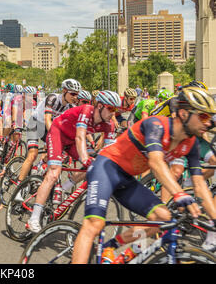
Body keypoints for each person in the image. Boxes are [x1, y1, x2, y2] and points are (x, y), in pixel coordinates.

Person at [71, 87, 216, 263]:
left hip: (127, 179)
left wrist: (214, 220)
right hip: (107, 168)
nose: (208, 123)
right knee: (94, 224)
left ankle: (112, 247)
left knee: (163, 218)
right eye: (203, 117)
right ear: (184, 114)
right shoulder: (157, 125)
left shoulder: (191, 144)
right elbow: (156, 162)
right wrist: (179, 193)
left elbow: (200, 184)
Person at [26, 90, 120, 233]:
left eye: (116, 110)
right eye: (111, 109)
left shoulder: (109, 124)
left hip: (71, 142)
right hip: (58, 133)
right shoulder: (87, 111)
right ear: (100, 106)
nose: (113, 114)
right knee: (53, 173)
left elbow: (110, 150)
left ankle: (64, 187)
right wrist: (85, 159)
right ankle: (33, 218)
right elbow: (80, 137)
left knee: (96, 164)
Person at [15, 79, 81, 186]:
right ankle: (19, 185)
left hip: (49, 128)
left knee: (58, 151)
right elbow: (47, 119)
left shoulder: (71, 107)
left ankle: (41, 166)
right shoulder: (53, 98)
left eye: (77, 95)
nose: (75, 97)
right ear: (64, 91)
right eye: (73, 94)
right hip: (36, 124)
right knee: (33, 154)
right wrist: (53, 138)